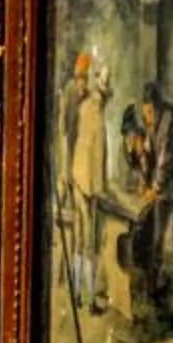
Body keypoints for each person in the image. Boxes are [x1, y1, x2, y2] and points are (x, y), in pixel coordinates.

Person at [133, 82, 173, 317]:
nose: (147, 117)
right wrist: (143, 171)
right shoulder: (151, 122)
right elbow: (149, 153)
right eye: (144, 113)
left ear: (157, 106)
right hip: (161, 189)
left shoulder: (168, 121)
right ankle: (153, 288)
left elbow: (165, 161)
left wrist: (153, 188)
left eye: (149, 112)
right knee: (156, 237)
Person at [67, 51, 111, 313]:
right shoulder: (85, 107)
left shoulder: (94, 106)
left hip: (88, 180)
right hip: (81, 179)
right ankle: (82, 294)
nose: (81, 84)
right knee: (83, 238)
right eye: (79, 79)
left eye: (84, 79)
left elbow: (98, 150)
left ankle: (84, 294)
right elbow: (78, 144)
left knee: (87, 238)